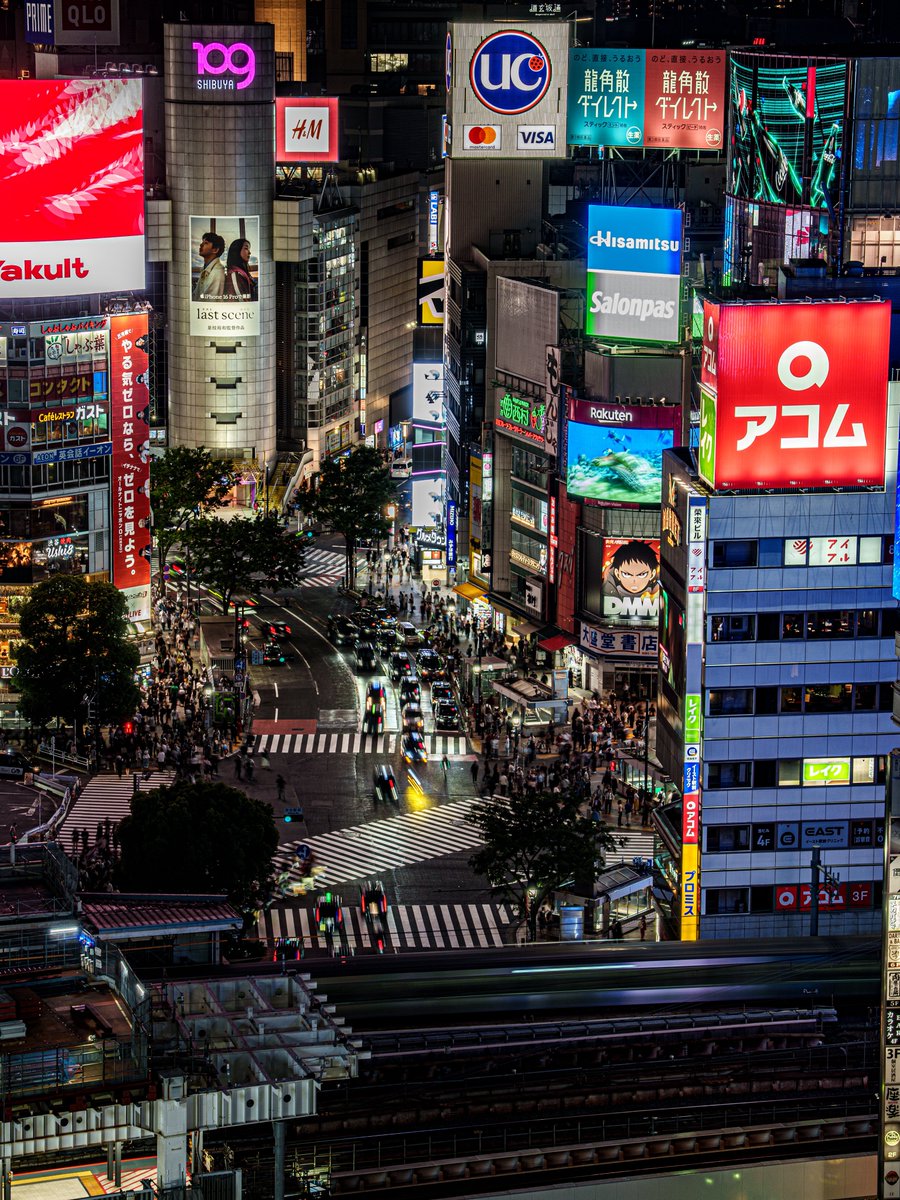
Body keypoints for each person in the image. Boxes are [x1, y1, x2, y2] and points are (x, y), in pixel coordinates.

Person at [193, 230, 226, 300]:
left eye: (206, 243)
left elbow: (208, 300)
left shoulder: (218, 272)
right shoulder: (205, 269)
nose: (201, 245)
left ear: (215, 250)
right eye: (202, 242)